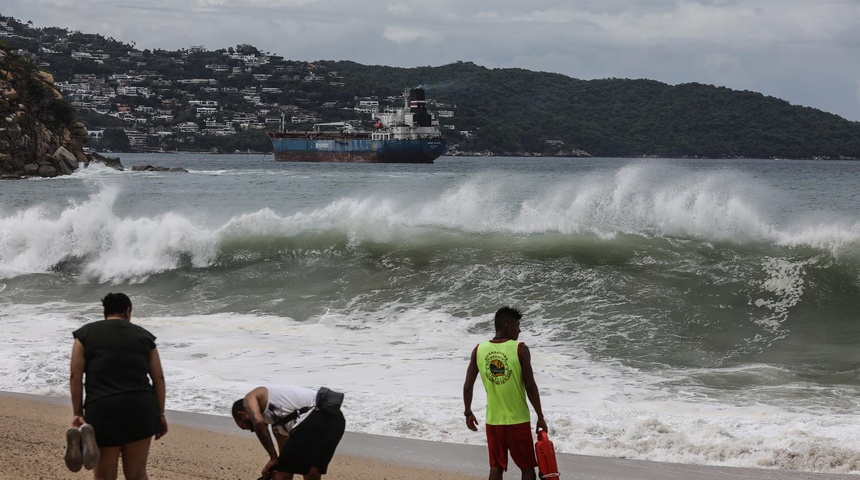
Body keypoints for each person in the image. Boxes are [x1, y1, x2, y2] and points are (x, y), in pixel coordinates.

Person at [68, 292, 168, 479]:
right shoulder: (145, 337)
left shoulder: (85, 335)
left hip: (103, 408)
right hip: (140, 408)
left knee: (105, 476)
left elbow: (75, 375)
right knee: (137, 474)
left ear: (104, 311)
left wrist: (78, 413)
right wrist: (160, 413)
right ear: (128, 311)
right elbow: (159, 378)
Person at [463, 306, 548, 480]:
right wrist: (540, 416)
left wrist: (468, 412)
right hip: (518, 420)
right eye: (517, 326)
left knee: (496, 467)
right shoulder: (520, 349)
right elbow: (530, 386)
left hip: (494, 421)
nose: (519, 330)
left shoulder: (479, 350)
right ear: (507, 326)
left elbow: (467, 386)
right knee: (527, 468)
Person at [232, 385, 346, 480]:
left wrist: (273, 459)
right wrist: (276, 464)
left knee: (280, 475)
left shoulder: (250, 397)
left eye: (246, 427)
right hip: (337, 421)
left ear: (242, 414)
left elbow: (258, 423)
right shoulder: (278, 423)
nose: (252, 431)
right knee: (313, 474)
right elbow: (285, 460)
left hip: (315, 416)